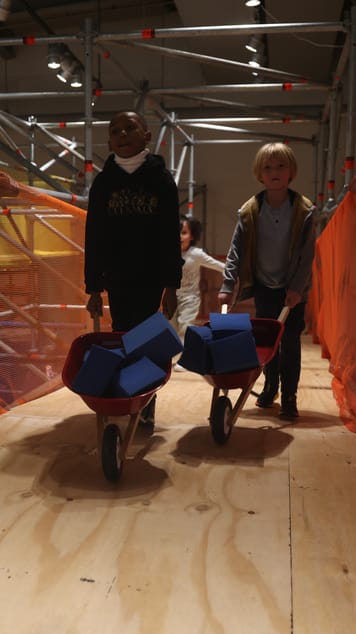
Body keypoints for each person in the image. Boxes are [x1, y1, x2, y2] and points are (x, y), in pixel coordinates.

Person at [84, 110, 182, 428]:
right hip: (117, 278)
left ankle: (146, 402)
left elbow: (170, 235)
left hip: (151, 277)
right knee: (122, 336)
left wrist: (171, 284)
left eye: (130, 128)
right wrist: (94, 287)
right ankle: (126, 396)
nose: (122, 135)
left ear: (147, 136)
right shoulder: (103, 184)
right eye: (115, 130)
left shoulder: (161, 180)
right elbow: (94, 235)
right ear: (109, 140)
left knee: (146, 338)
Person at [218, 142, 316, 420]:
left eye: (281, 166)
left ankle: (289, 395)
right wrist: (227, 285)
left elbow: (308, 253)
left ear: (291, 173)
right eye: (268, 168)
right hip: (264, 285)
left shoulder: (304, 210)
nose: (274, 172)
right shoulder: (250, 211)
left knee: (291, 341)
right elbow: (236, 249)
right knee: (268, 341)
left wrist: (297, 287)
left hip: (292, 290)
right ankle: (271, 386)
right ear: (259, 174)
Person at [171, 216, 225, 346]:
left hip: (190, 298)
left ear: (192, 236)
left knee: (186, 326)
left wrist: (231, 272)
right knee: (171, 328)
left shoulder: (196, 254)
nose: (180, 236)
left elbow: (217, 265)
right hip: (172, 297)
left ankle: (185, 359)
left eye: (184, 233)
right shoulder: (169, 253)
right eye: (177, 232)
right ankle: (171, 358)